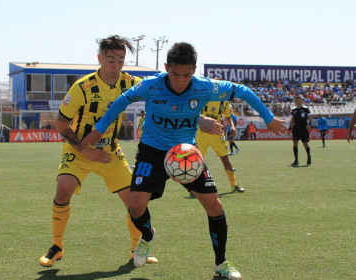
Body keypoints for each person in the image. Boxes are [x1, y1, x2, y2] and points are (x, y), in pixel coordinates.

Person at [82, 42, 287, 279]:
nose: (181, 81)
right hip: (152, 151)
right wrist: (99, 130)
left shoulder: (205, 86)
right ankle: (148, 236)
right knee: (136, 207)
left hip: (186, 154)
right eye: (175, 74)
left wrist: (268, 118)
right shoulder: (150, 85)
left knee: (215, 206)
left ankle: (221, 263)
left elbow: (241, 90)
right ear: (166, 68)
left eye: (187, 75)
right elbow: (121, 102)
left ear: (194, 70)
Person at [39, 35, 159, 268]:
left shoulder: (131, 82)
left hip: (110, 152)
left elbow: (161, 90)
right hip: (79, 150)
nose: (116, 66)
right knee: (63, 189)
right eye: (111, 60)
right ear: (100, 58)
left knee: (136, 202)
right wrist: (86, 149)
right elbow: (61, 124)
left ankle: (136, 249)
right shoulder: (81, 88)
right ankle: (57, 246)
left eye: (121, 61)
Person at [196, 101, 244, 193]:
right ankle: (195, 187)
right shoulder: (205, 96)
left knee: (225, 160)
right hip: (202, 133)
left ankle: (234, 186)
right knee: (196, 161)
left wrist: (232, 127)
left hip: (217, 133)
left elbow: (228, 117)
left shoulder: (224, 102)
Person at [288, 96, 313, 166]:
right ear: (295, 102)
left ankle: (309, 157)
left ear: (302, 101)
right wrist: (289, 129)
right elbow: (292, 120)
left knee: (305, 144)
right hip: (295, 128)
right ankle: (296, 160)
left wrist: (309, 124)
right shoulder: (293, 110)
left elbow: (311, 118)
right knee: (295, 143)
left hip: (303, 128)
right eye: (297, 101)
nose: (298, 102)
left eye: (300, 100)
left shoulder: (306, 109)